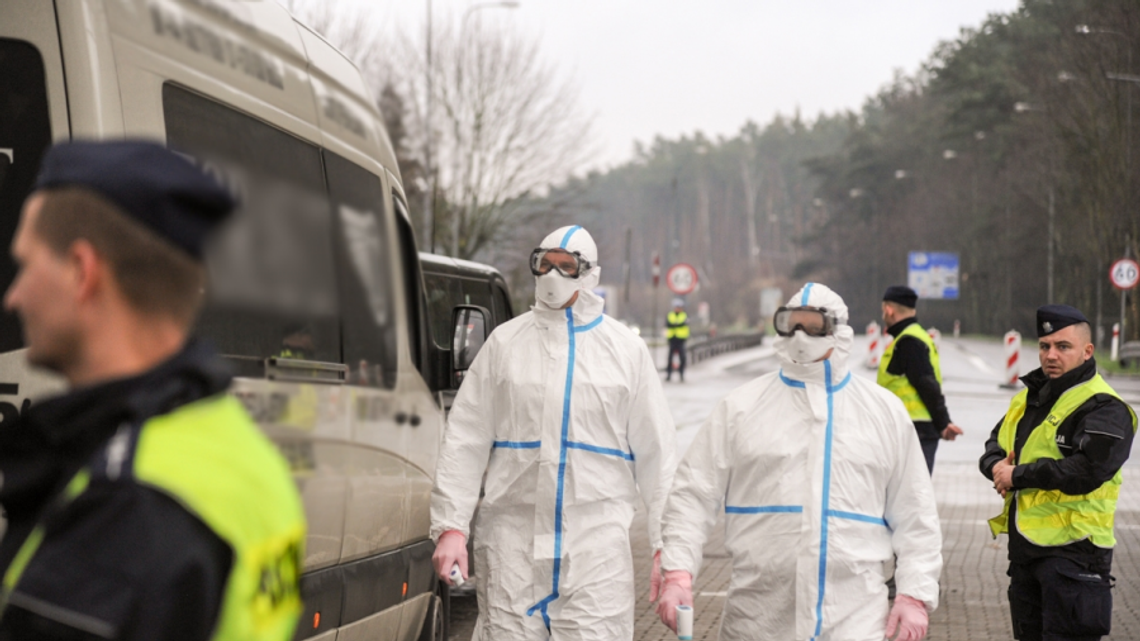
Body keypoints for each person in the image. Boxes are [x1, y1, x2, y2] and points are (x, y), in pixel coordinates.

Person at [0, 140, 305, 640]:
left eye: (26, 266)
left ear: (82, 271)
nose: (13, 296)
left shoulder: (125, 501)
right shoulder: (246, 456)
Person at [656, 283, 941, 641]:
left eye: (814, 326)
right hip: (757, 619)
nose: (801, 336)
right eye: (792, 324)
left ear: (838, 330)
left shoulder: (883, 413)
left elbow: (916, 514)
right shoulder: (741, 407)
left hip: (854, 618)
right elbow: (692, 495)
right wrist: (678, 572)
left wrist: (915, 593)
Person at [430, 225, 676, 640]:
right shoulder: (505, 344)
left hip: (594, 553)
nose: (553, 275)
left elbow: (658, 458)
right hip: (512, 548)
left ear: (590, 274)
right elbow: (465, 439)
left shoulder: (624, 352)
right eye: (545, 264)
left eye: (566, 267)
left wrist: (668, 550)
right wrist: (452, 526)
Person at [981, 304, 1136, 641]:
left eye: (1063, 346)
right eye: (1045, 346)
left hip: (1075, 555)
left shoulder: (1104, 406)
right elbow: (996, 442)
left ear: (1086, 351)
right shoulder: (1029, 399)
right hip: (1026, 554)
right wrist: (995, 466)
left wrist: (1017, 475)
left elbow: (1087, 470)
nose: (1051, 355)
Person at [878, 285, 963, 474]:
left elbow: (926, 384)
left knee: (911, 499)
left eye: (883, 310)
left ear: (889, 310)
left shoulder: (908, 342)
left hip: (914, 431)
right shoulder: (911, 337)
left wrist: (943, 423)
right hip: (914, 430)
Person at [665, 298, 689, 382]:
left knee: (682, 358)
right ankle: (668, 374)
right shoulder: (670, 315)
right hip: (672, 339)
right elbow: (668, 324)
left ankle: (681, 374)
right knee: (670, 358)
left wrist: (675, 325)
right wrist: (677, 325)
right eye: (676, 307)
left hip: (681, 339)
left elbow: (684, 324)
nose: (678, 308)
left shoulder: (684, 315)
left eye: (679, 307)